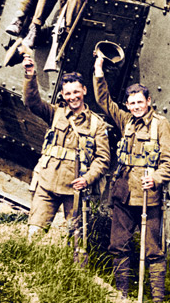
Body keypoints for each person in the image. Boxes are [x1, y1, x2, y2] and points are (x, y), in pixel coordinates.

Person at [92, 50, 170, 302]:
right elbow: (104, 100)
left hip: (148, 198)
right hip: (122, 195)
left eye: (140, 102)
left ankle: (157, 299)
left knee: (153, 251)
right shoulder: (126, 121)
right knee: (118, 246)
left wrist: (157, 179)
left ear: (148, 101)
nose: (136, 107)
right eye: (132, 103)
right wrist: (98, 67)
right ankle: (122, 294)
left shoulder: (160, 125)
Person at [22, 55, 110, 238]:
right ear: (62, 94)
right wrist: (30, 75)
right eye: (68, 93)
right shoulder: (55, 113)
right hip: (47, 182)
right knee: (34, 233)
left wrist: (87, 178)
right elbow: (32, 102)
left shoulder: (96, 124)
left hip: (75, 188)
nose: (72, 97)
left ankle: (76, 268)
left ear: (84, 90)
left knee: (77, 240)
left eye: (76, 92)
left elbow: (103, 159)